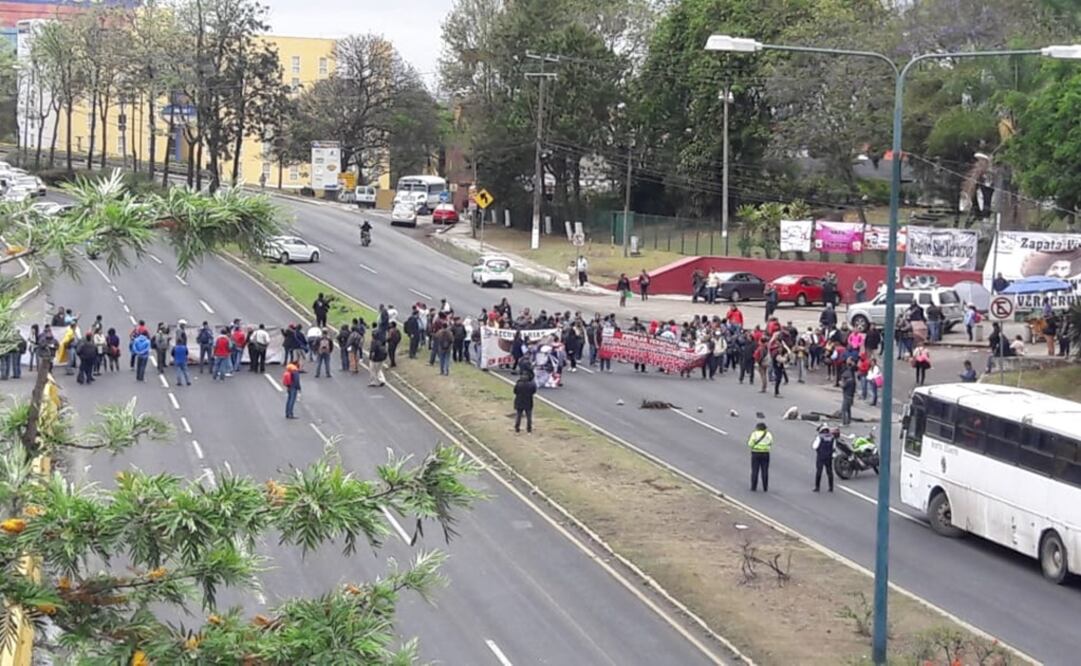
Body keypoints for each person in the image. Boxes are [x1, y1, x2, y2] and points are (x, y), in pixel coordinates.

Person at [747, 422, 773, 492]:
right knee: (765, 470)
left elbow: (750, 444)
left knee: (755, 470)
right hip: (765, 453)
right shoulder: (768, 434)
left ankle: (753, 487)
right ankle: (765, 487)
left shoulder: (754, 434)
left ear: (757, 428)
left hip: (756, 453)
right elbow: (771, 442)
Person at [812, 424, 835, 492]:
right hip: (829, 457)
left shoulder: (819, 437)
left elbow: (814, 446)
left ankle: (817, 487)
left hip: (821, 456)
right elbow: (834, 447)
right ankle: (831, 487)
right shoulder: (832, 437)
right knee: (829, 472)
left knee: (819, 471)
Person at [840, 360, 857, 426]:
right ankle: (849, 421)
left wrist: (841, 384)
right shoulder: (852, 381)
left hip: (846, 396)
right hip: (851, 396)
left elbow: (843, 386)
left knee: (844, 410)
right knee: (848, 409)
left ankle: (844, 422)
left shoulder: (848, 382)